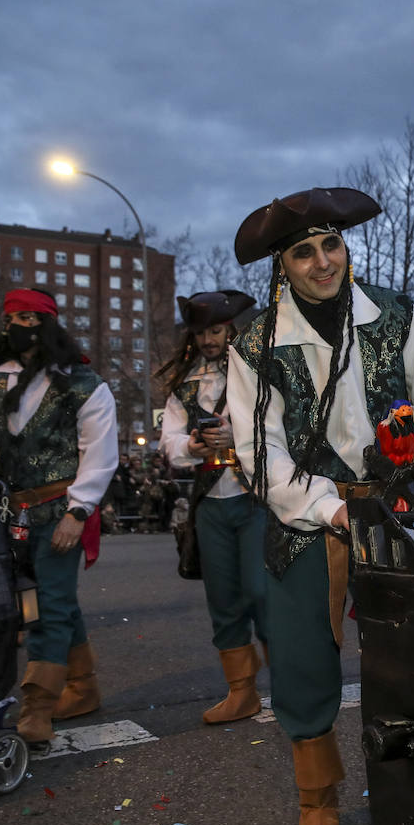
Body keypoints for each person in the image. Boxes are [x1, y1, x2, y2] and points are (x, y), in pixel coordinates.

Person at [226, 186, 414, 825]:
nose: (324, 261)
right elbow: (258, 455)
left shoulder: (394, 315)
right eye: (305, 252)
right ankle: (318, 803)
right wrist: (330, 508)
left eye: (332, 244)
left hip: (398, 505)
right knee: (301, 662)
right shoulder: (256, 342)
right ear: (282, 266)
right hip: (310, 517)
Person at [0, 288, 118, 744]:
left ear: (48, 323)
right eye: (13, 317)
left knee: (46, 609)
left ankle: (37, 708)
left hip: (62, 510)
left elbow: (100, 454)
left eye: (31, 317)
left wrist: (79, 511)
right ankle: (83, 688)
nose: (22, 326)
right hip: (11, 510)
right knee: (53, 601)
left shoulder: (83, 383)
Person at [156, 289, 268, 726]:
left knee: (262, 592)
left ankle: (294, 679)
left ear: (231, 329)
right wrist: (193, 445)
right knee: (223, 600)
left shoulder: (257, 371)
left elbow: (280, 427)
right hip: (210, 504)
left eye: (216, 330)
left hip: (256, 497)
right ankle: (242, 692)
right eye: (201, 332)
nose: (208, 340)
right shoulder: (184, 383)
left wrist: (236, 441)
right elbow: (169, 443)